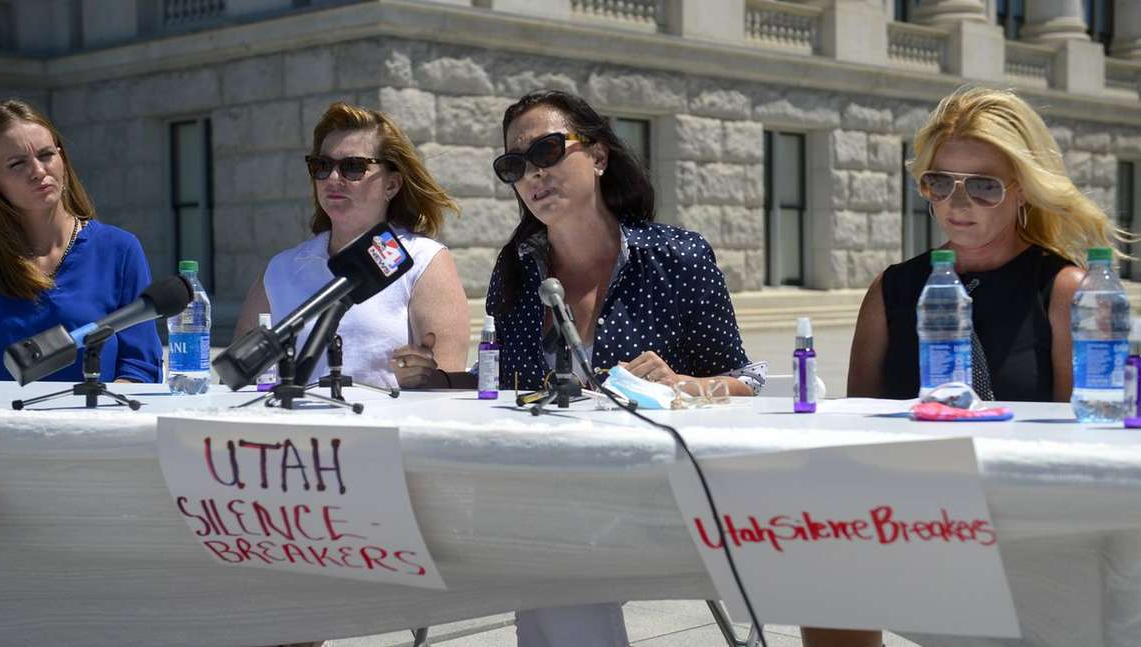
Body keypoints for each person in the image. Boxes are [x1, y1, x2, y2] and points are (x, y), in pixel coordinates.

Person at [392, 89, 765, 646]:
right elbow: (512, 385)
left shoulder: (678, 257)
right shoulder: (517, 269)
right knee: (540, 544)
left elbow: (748, 379)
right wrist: (442, 379)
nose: (531, 175)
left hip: (652, 487)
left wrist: (681, 382)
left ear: (597, 155)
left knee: (545, 550)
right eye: (514, 165)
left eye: (546, 151)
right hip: (539, 489)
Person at [839, 87, 1131, 647]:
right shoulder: (895, 287)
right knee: (816, 571)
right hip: (913, 518)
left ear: (1022, 189)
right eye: (939, 182)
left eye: (983, 185)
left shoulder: (1066, 290)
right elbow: (856, 427)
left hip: (1029, 525)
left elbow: (1091, 436)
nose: (957, 201)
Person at [235, 101, 468, 389]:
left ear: (392, 185)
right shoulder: (280, 269)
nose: (333, 178)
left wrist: (423, 378)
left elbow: (448, 390)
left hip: (383, 430)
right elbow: (236, 380)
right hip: (293, 429)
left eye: (353, 168)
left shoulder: (424, 260)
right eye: (322, 166)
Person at [0, 99, 161, 384]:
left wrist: (94, 419)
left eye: (46, 155)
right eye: (17, 163)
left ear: (62, 158)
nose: (38, 170)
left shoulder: (119, 251)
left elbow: (141, 368)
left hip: (96, 423)